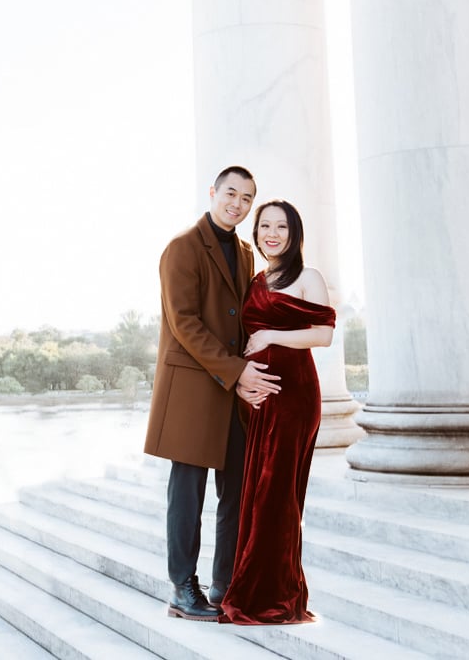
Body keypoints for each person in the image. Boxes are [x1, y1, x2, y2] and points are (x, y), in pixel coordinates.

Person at [144, 166, 283, 621]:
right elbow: (184, 324)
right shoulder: (182, 247)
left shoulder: (245, 252)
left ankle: (224, 585)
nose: (237, 204)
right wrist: (238, 371)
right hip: (192, 392)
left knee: (236, 493)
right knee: (187, 496)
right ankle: (182, 589)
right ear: (213, 193)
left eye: (246, 198)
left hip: (233, 395)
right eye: (231, 193)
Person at [219, 199, 335, 625]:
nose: (272, 234)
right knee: (258, 494)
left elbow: (322, 335)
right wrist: (243, 387)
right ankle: (255, 589)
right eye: (264, 226)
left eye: (281, 227)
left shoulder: (308, 277)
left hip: (294, 397)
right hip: (261, 399)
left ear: (294, 233)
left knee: (279, 496)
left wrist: (271, 334)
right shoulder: (256, 280)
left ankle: (276, 596)